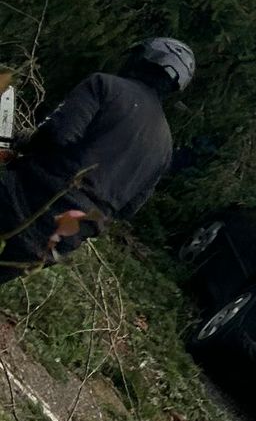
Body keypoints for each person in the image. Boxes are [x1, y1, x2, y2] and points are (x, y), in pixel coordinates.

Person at [0, 37, 195, 285]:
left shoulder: (104, 86)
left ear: (141, 59)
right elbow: (129, 208)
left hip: (22, 200)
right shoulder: (165, 145)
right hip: (60, 238)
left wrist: (25, 141)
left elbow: (57, 134)